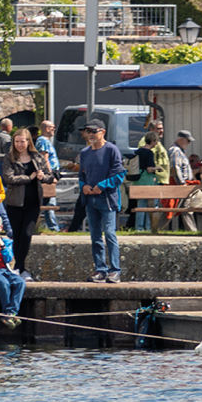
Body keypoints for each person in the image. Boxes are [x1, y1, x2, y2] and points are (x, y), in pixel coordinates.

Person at [0, 129, 49, 280]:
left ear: (28, 142)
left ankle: (17, 268)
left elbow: (48, 175)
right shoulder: (10, 158)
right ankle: (22, 269)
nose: (20, 145)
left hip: (33, 202)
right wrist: (30, 177)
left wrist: (42, 176)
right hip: (15, 202)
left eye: (22, 141)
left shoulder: (37, 157)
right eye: (17, 141)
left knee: (27, 235)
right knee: (18, 236)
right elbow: (9, 178)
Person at [79, 119, 124, 284]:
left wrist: (102, 186)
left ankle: (115, 271)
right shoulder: (84, 152)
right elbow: (81, 175)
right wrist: (83, 186)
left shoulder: (112, 150)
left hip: (107, 199)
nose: (90, 134)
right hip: (90, 200)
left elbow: (119, 175)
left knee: (110, 234)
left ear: (102, 131)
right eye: (88, 131)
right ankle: (100, 270)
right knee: (95, 236)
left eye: (93, 131)